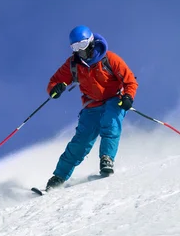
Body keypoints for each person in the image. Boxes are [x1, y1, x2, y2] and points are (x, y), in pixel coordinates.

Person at [44, 25, 138, 190]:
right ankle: (59, 177)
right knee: (81, 141)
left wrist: (128, 96)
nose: (80, 51)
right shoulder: (73, 64)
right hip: (91, 104)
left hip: (115, 99)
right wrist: (55, 88)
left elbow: (130, 80)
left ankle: (106, 158)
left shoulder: (110, 59)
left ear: (91, 42)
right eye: (75, 47)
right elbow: (54, 80)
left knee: (110, 123)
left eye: (82, 45)